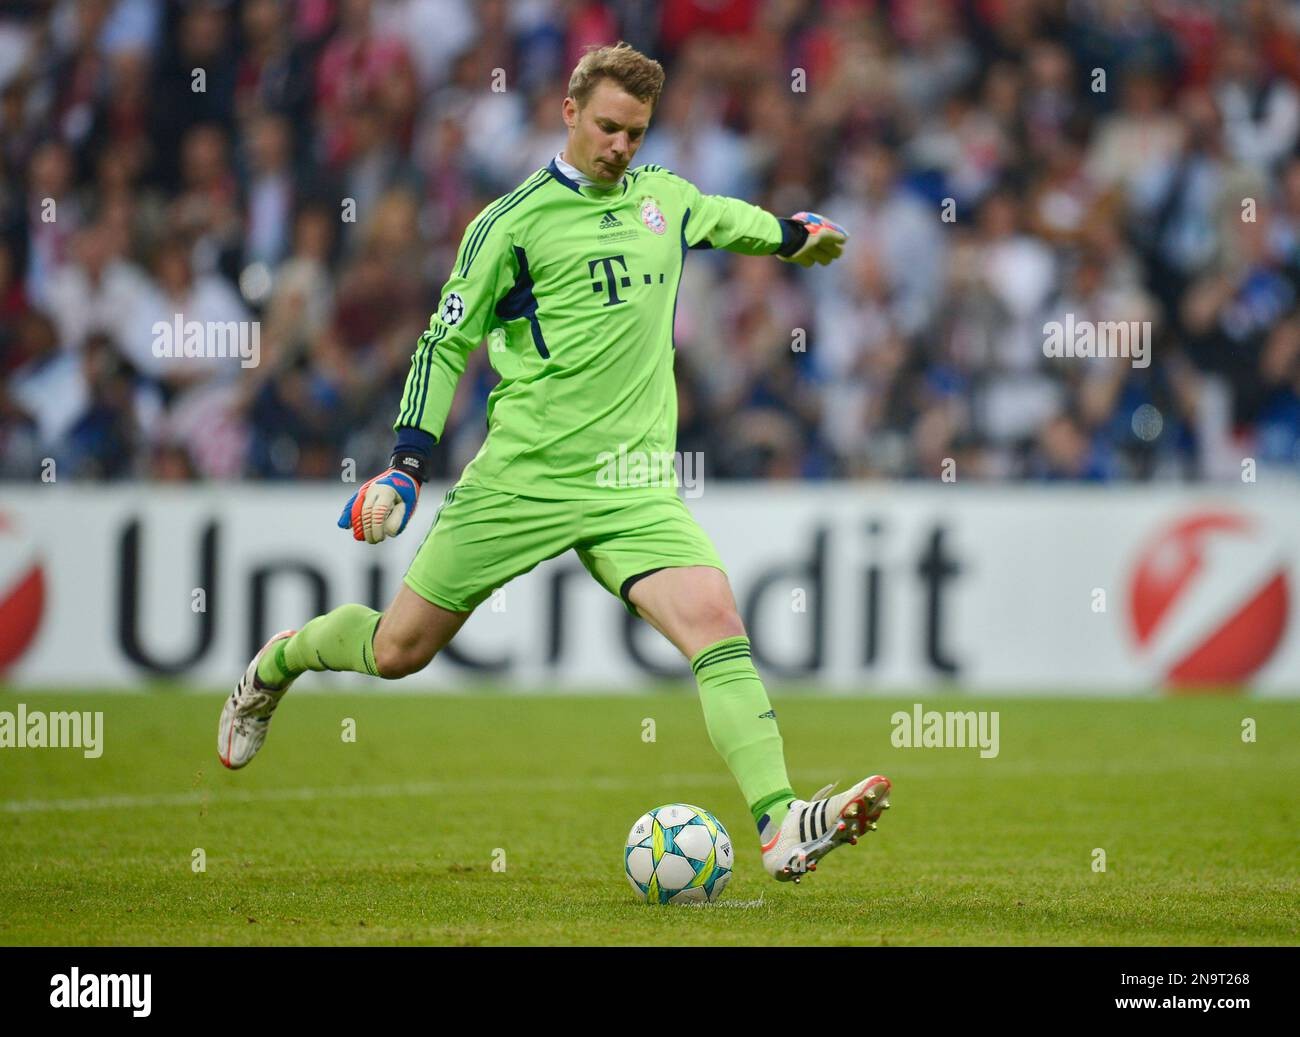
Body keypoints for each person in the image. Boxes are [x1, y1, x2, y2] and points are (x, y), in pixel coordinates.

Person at [218, 41, 888, 883]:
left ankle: (779, 821)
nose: (620, 146)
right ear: (569, 113)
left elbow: (728, 216)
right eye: (607, 126)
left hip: (634, 484)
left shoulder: (663, 200)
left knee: (717, 620)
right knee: (397, 651)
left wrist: (794, 236)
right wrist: (405, 465)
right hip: (523, 477)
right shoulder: (508, 225)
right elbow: (445, 341)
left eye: (636, 134)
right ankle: (279, 662)